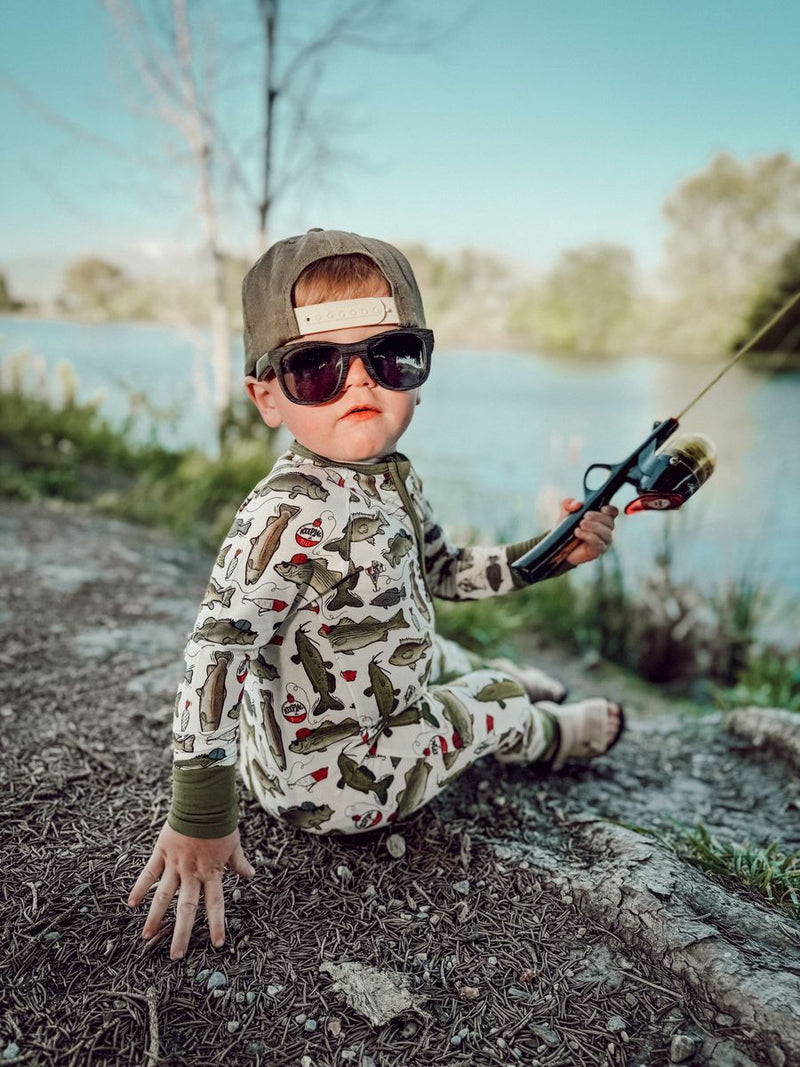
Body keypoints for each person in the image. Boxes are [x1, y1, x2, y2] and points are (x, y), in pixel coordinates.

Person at [128, 228, 623, 960]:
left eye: (389, 356)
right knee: (495, 694)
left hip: (367, 695)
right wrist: (200, 814)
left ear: (418, 370)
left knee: (442, 647)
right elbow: (216, 653)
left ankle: (493, 685)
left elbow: (444, 571)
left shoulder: (394, 476)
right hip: (333, 779)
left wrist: (551, 552)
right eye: (315, 367)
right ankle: (547, 733)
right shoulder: (281, 514)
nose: (359, 382)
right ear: (267, 396)